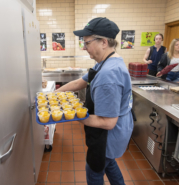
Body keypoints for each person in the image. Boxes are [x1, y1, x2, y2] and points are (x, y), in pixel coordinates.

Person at [55, 17, 134, 185]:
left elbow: (108, 122)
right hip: (114, 129)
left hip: (108, 135)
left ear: (103, 42)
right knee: (109, 163)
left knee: (94, 170)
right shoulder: (106, 62)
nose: (84, 48)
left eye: (87, 42)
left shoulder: (108, 75)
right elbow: (78, 83)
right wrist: (54, 94)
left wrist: (74, 115)